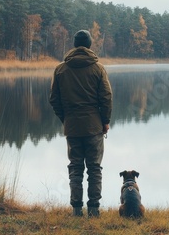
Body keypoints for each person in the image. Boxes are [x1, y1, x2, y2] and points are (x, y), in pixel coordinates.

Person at [49, 30, 112, 217]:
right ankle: (94, 210)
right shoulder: (98, 68)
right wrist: (105, 121)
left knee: (75, 168)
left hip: (72, 127)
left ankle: (76, 210)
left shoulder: (60, 69)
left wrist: (66, 118)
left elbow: (54, 100)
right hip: (94, 127)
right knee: (94, 168)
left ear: (75, 45)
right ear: (90, 45)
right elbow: (106, 97)